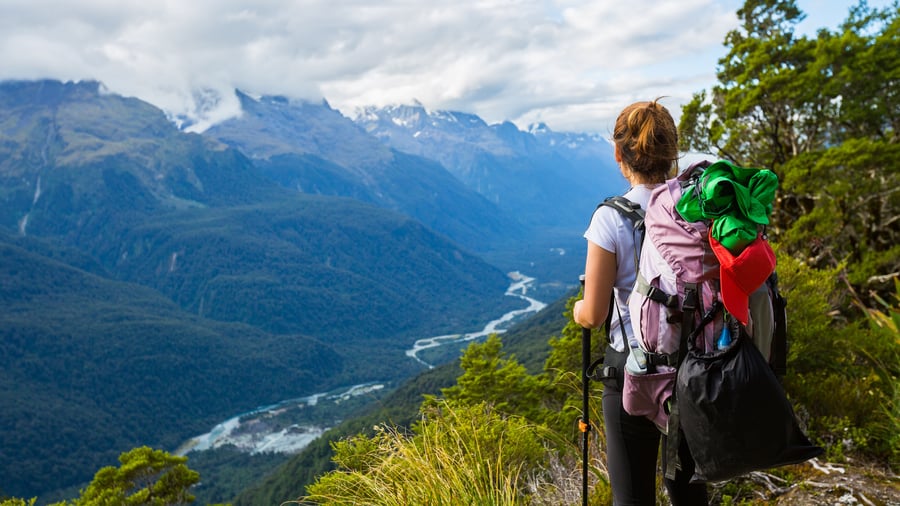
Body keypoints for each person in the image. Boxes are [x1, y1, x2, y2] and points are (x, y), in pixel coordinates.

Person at [572, 99, 707, 505]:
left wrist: (578, 309)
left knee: (631, 498)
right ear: (674, 152)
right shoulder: (695, 208)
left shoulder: (609, 219)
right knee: (690, 495)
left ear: (619, 154)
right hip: (693, 369)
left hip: (630, 372)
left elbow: (593, 314)